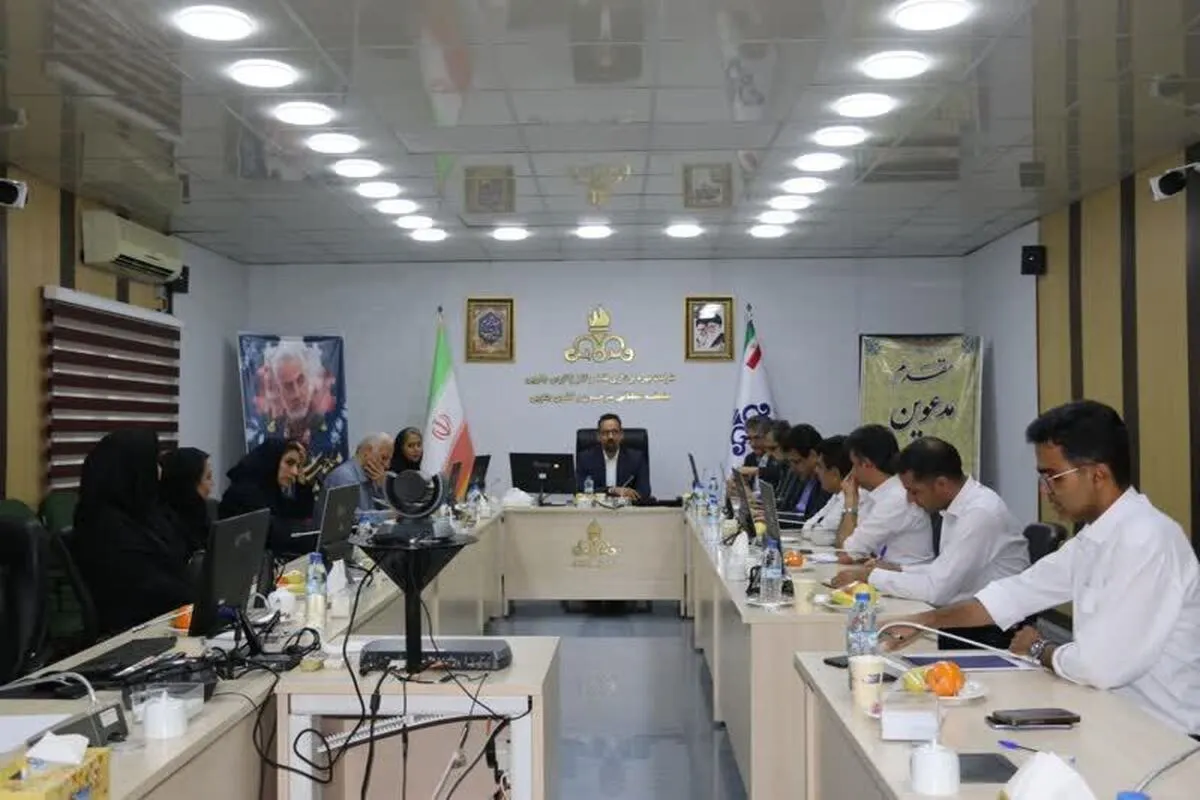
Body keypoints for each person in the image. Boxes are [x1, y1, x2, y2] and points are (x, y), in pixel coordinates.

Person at [884, 401, 1200, 736]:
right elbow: (1016, 592)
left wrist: (1039, 648)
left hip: (1165, 734)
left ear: (1098, 474)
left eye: (1053, 477)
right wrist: (924, 620)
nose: (1044, 490)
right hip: (1110, 713)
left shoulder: (1145, 539)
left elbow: (1098, 667)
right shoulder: (1096, 536)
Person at [833, 437, 1028, 649]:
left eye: (914, 491)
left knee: (875, 636)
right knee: (875, 630)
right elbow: (943, 571)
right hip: (963, 616)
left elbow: (937, 589)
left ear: (941, 484)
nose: (910, 500)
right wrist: (899, 569)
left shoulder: (980, 514)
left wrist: (871, 576)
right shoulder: (958, 507)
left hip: (991, 632)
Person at [71, 430, 194, 634]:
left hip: (171, 614)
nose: (160, 471)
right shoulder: (103, 525)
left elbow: (182, 552)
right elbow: (147, 586)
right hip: (139, 628)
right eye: (154, 463)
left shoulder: (143, 510)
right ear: (133, 469)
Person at [836, 424, 934, 565]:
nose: (852, 473)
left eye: (854, 465)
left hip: (906, 576)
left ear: (867, 464)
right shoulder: (877, 494)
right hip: (886, 573)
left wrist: (850, 501)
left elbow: (845, 553)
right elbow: (850, 547)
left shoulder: (896, 498)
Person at [219, 439, 315, 555]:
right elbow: (272, 532)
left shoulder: (270, 490)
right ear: (272, 460)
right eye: (290, 463)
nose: (295, 472)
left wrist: (301, 484)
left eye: (298, 466)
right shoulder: (243, 492)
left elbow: (299, 514)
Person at [575, 413, 651, 501]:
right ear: (598, 436)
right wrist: (611, 490)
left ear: (621, 435)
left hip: (626, 508)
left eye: (614, 432)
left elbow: (645, 492)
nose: (610, 437)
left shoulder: (637, 458)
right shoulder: (585, 458)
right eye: (605, 433)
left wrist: (628, 496)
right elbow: (580, 489)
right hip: (596, 508)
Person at [159, 447, 215, 554]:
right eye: (208, 477)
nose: (212, 484)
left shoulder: (200, 516)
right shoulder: (166, 533)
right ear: (189, 483)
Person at [801, 435, 854, 546]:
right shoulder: (837, 495)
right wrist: (815, 529)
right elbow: (806, 528)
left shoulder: (851, 497)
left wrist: (815, 529)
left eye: (820, 466)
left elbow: (821, 537)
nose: (816, 471)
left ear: (835, 473)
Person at [776, 424, 831, 522]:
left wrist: (775, 519)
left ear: (813, 455)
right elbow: (787, 507)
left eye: (796, 462)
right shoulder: (799, 475)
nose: (792, 468)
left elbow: (814, 522)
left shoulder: (827, 481)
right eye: (790, 462)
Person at [324, 433, 393, 512]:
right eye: (384, 458)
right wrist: (388, 513)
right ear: (367, 451)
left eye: (390, 460)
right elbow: (353, 516)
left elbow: (390, 512)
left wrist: (382, 488)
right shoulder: (344, 476)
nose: (387, 465)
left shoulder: (373, 477)